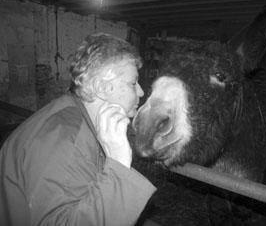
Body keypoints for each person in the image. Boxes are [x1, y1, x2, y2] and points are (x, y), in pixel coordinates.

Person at [0, 33, 156, 225]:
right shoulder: (66, 137)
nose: (141, 91)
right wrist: (119, 164)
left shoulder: (72, 115)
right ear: (101, 87)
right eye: (133, 83)